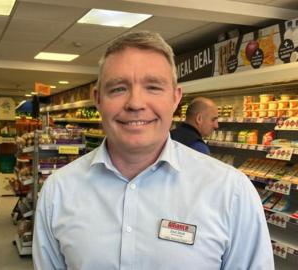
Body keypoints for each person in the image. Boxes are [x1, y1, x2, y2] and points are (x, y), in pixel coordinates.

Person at [33, 31, 273, 269]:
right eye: (118, 88)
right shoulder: (59, 191)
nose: (135, 103)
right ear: (98, 99)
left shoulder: (231, 192)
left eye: (153, 87)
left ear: (175, 98)